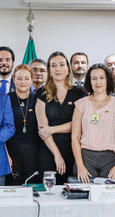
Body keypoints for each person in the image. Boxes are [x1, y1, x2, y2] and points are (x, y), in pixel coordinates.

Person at [36, 51, 86, 184]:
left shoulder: (79, 92)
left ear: (68, 68)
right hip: (48, 149)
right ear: (49, 70)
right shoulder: (41, 93)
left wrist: (51, 129)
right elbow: (42, 129)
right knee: (48, 190)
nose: (58, 69)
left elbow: (79, 124)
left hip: (73, 148)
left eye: (61, 64)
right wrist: (57, 155)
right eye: (53, 65)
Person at [72, 64, 115, 182]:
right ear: (89, 81)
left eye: (102, 78)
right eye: (94, 78)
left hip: (111, 158)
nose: (98, 82)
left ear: (108, 80)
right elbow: (75, 137)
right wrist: (80, 165)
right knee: (86, 196)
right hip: (86, 157)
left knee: (109, 196)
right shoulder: (80, 104)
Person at [5, 64, 40, 185]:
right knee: (14, 189)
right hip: (12, 150)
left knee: (33, 187)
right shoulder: (6, 99)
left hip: (35, 151)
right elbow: (0, 128)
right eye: (19, 78)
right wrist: (6, 154)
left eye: (26, 78)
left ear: (31, 80)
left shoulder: (38, 99)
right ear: (13, 79)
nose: (23, 82)